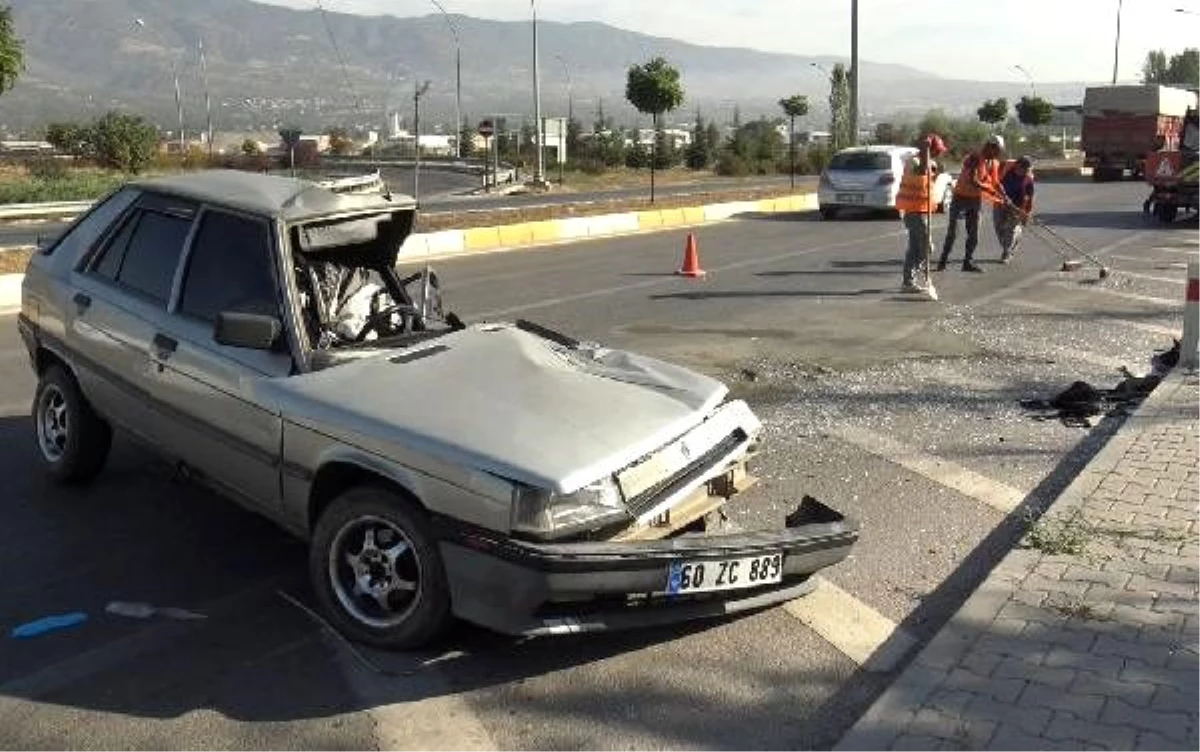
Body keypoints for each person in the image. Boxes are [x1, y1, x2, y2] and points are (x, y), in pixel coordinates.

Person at [936, 134, 1004, 273]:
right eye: (997, 150)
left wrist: (1005, 196)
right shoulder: (974, 158)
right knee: (953, 232)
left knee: (974, 234)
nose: (998, 154)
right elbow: (973, 180)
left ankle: (968, 262)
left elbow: (996, 183)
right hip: (960, 197)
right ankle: (942, 261)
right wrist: (990, 191)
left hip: (975, 200)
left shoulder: (993, 163)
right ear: (990, 147)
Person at [896, 133, 948, 293]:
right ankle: (913, 279)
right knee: (927, 248)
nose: (940, 154)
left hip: (922, 210)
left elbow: (928, 179)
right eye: (937, 150)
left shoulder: (928, 162)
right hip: (914, 212)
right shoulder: (916, 160)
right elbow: (921, 171)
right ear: (931, 150)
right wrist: (925, 150)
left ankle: (908, 282)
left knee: (915, 249)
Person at [994, 155, 1035, 263]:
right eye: (1024, 169)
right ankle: (1016, 234)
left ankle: (1006, 253)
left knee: (1010, 229)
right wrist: (1002, 198)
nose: (1026, 172)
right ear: (1017, 166)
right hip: (1000, 201)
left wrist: (1026, 213)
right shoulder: (1005, 168)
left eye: (1028, 170)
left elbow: (1029, 198)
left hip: (1017, 205)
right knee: (999, 226)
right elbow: (994, 181)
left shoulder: (1029, 179)